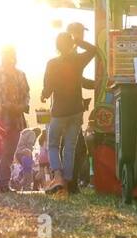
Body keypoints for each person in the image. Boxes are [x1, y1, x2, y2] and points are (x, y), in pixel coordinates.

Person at [42, 32, 97, 194]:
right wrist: (78, 41)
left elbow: (48, 87)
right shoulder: (78, 61)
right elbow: (93, 50)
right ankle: (66, 182)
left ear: (57, 46)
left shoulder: (52, 63)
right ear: (71, 44)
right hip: (76, 110)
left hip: (59, 111)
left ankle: (57, 175)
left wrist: (44, 95)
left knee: (53, 144)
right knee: (70, 147)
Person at [0, 46, 30, 192]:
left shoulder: (20, 74)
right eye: (6, 55)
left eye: (11, 55)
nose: (9, 58)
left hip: (16, 117)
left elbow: (26, 94)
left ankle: (3, 182)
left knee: (10, 151)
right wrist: (1, 106)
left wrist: (22, 106)